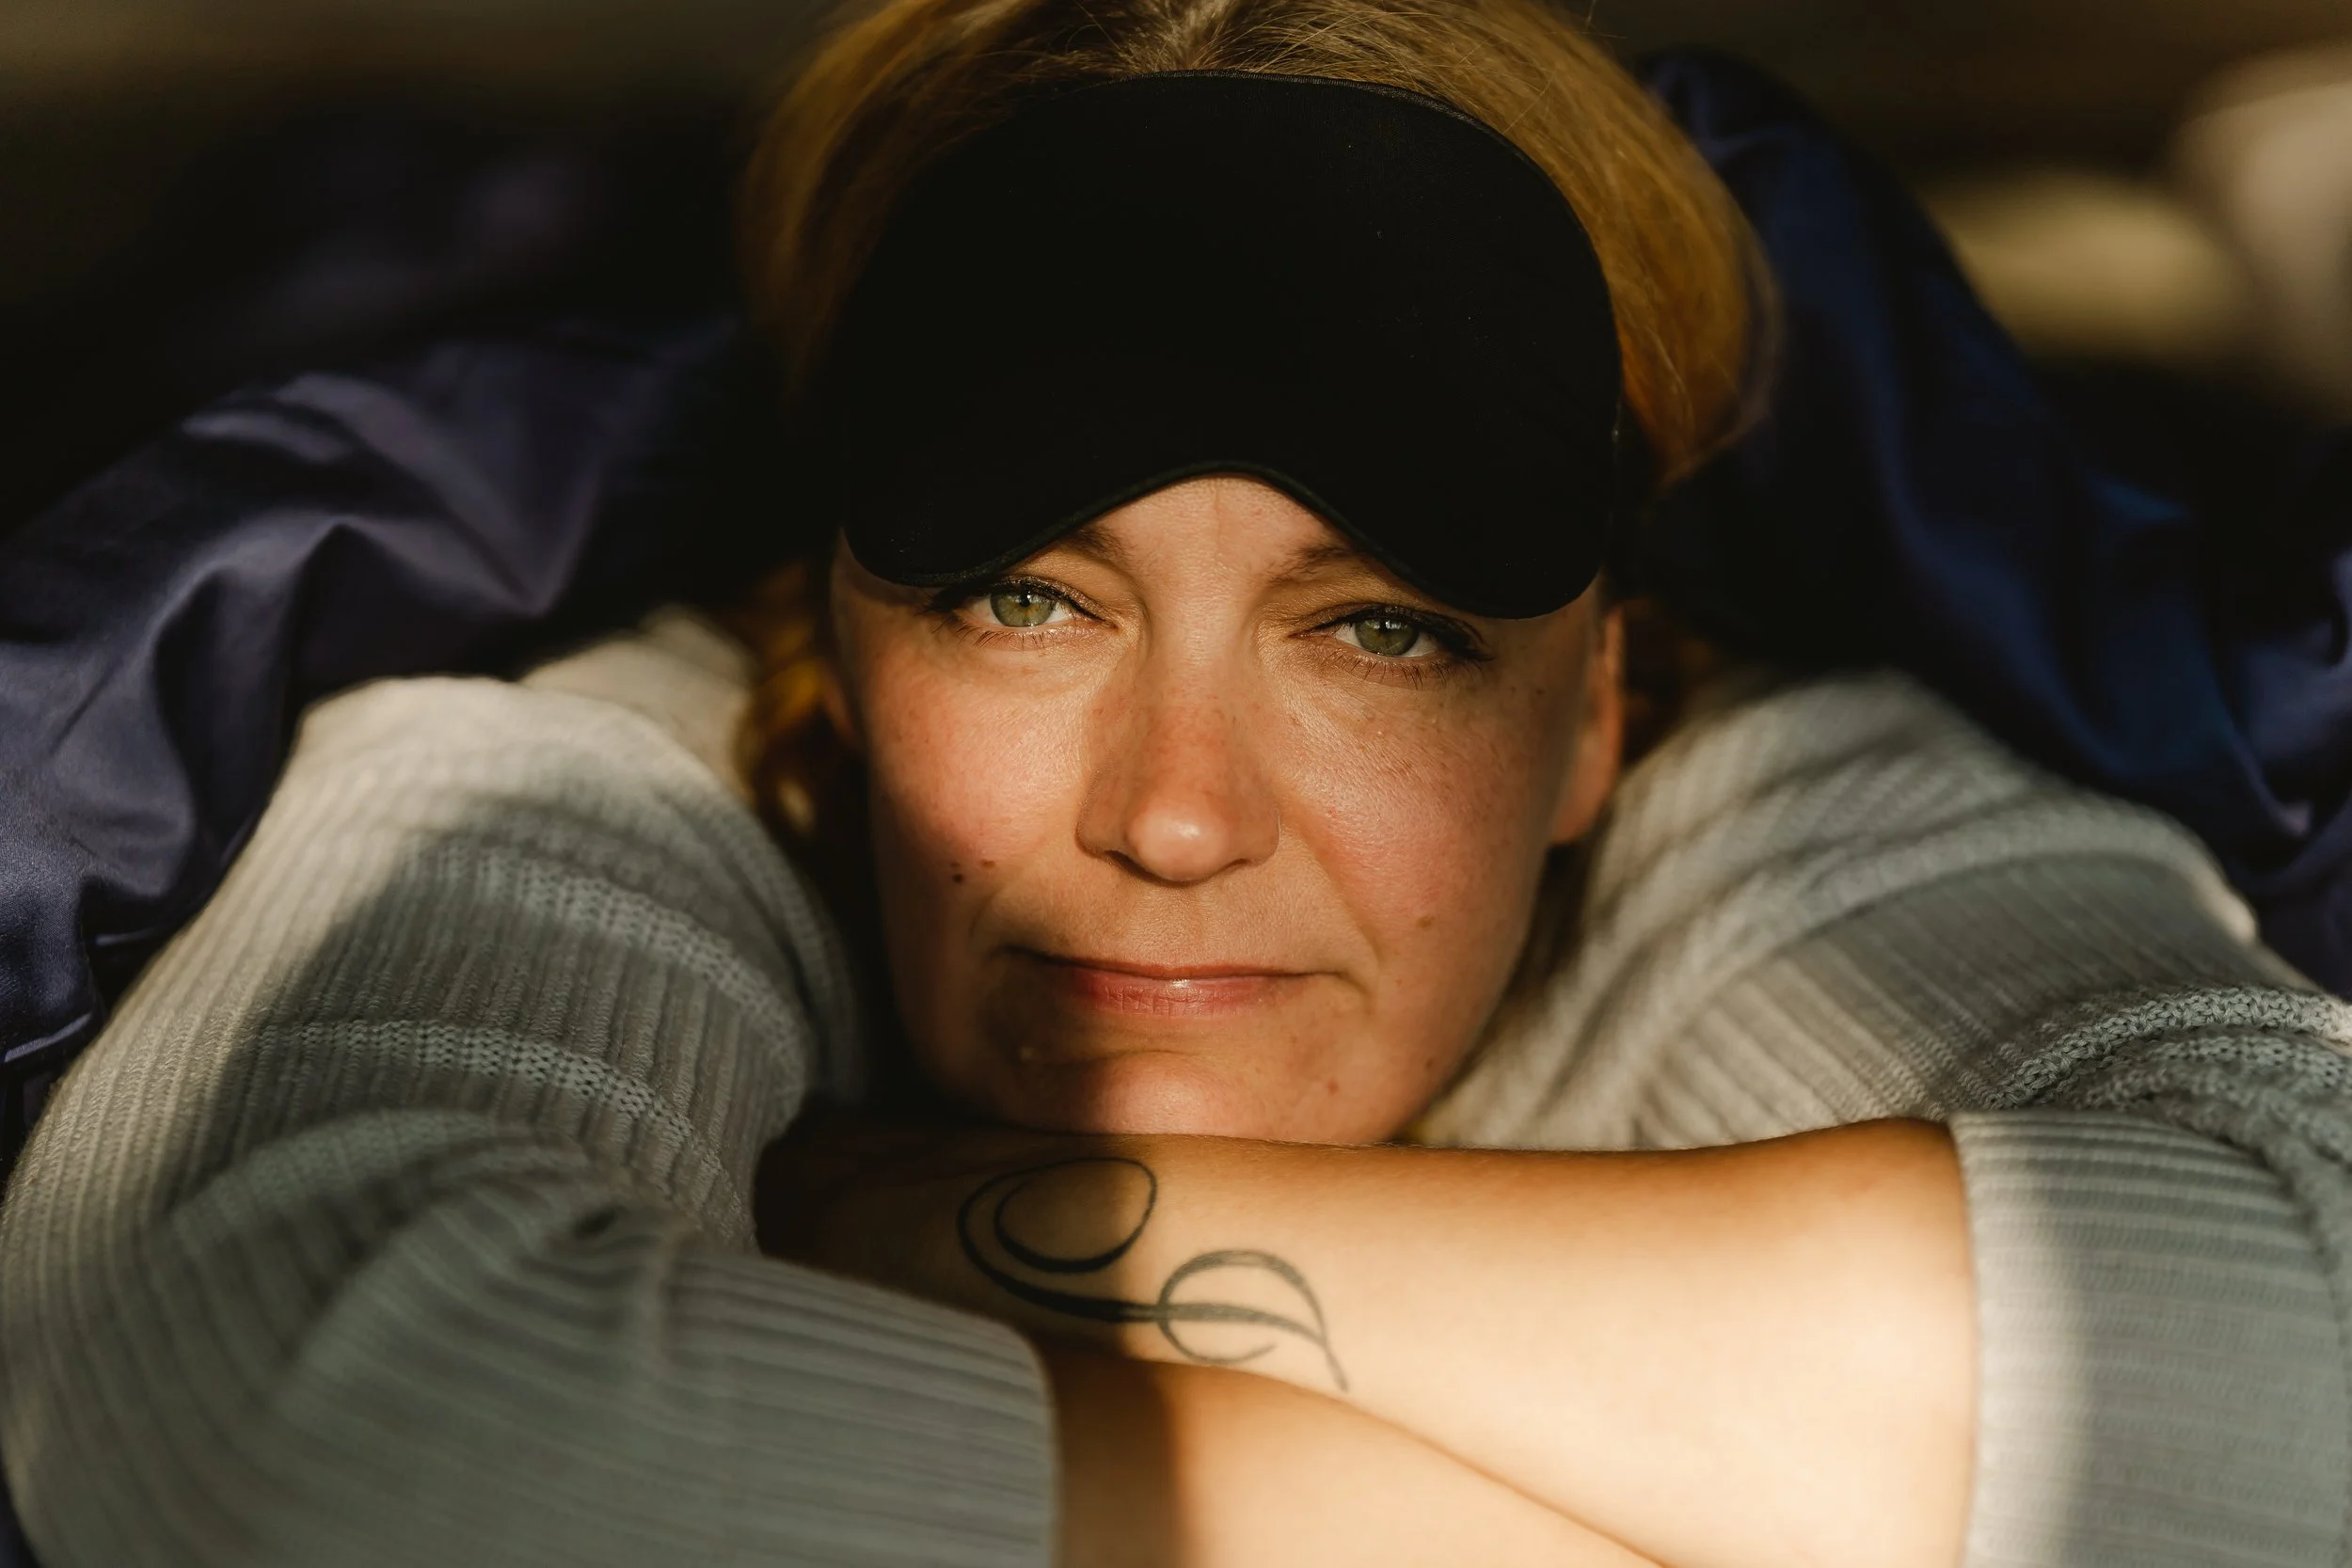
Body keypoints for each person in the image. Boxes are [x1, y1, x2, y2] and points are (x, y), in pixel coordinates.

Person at [5, 3, 2349, 1567]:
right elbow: (292, 1420)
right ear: (837, 625)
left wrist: (889, 1212)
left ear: (1597, 711)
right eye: (1025, 596)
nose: (1179, 813)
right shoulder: (604, 753)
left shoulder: (1776, 785)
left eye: (1381, 629)